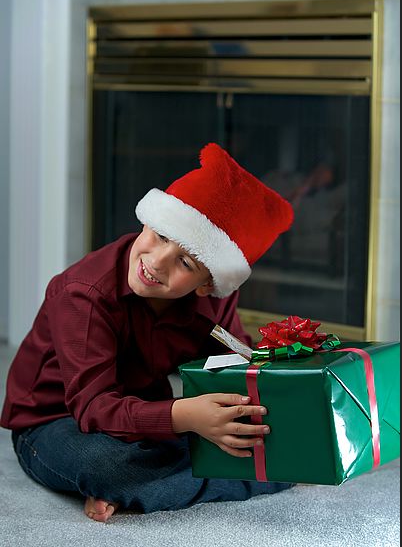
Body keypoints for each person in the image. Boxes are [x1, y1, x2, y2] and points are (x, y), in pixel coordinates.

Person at [0, 143, 294, 522]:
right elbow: (93, 408)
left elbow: (234, 360)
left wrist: (253, 405)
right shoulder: (83, 295)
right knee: (110, 467)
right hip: (57, 422)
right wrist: (188, 417)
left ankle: (142, 485)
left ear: (208, 284)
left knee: (253, 434)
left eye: (185, 262)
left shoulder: (212, 302)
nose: (156, 262)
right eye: (159, 236)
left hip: (143, 414)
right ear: (146, 222)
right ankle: (261, 478)